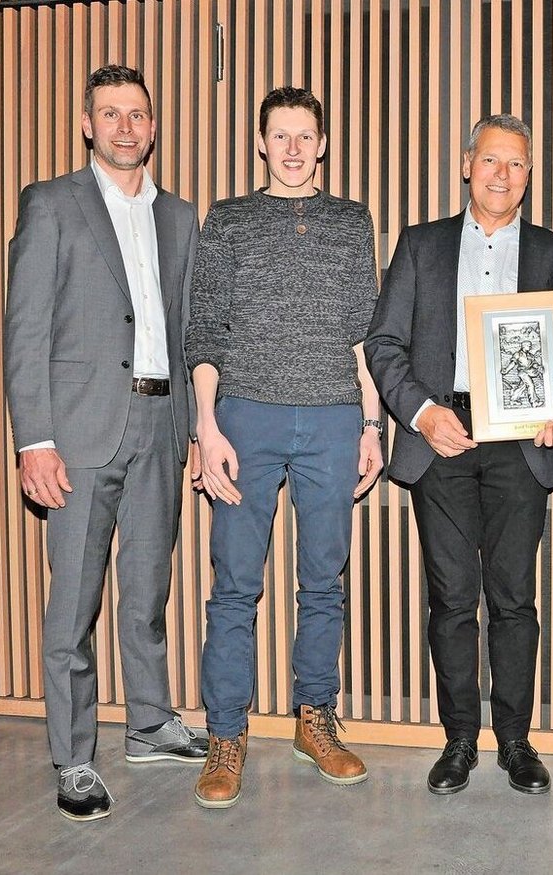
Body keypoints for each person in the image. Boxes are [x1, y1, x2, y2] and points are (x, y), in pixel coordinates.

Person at [4, 64, 207, 822]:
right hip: (81, 432)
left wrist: (190, 423)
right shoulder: (53, 204)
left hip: (160, 427)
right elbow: (24, 330)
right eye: (111, 114)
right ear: (87, 123)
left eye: (138, 114)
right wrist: (36, 439)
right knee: (74, 608)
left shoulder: (180, 217)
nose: (126, 126)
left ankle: (149, 721)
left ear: (154, 127)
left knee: (147, 589)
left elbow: (184, 329)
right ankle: (76, 757)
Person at [363, 113, 553, 796]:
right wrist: (423, 414)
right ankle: (458, 739)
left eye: (516, 164)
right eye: (491, 160)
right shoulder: (422, 245)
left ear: (528, 174)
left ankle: (516, 740)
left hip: (520, 443)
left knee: (515, 598)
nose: (501, 174)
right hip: (442, 436)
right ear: (466, 164)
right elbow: (384, 343)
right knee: (452, 598)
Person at [184, 87, 384, 809]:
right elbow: (204, 329)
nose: (294, 147)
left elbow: (366, 328)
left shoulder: (350, 220)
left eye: (306, 135)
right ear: (261, 142)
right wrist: (207, 429)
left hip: (333, 417)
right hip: (245, 419)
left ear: (323, 144)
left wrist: (371, 425)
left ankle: (314, 719)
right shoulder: (230, 220)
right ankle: (226, 734)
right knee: (235, 584)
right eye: (281, 135)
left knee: (323, 581)